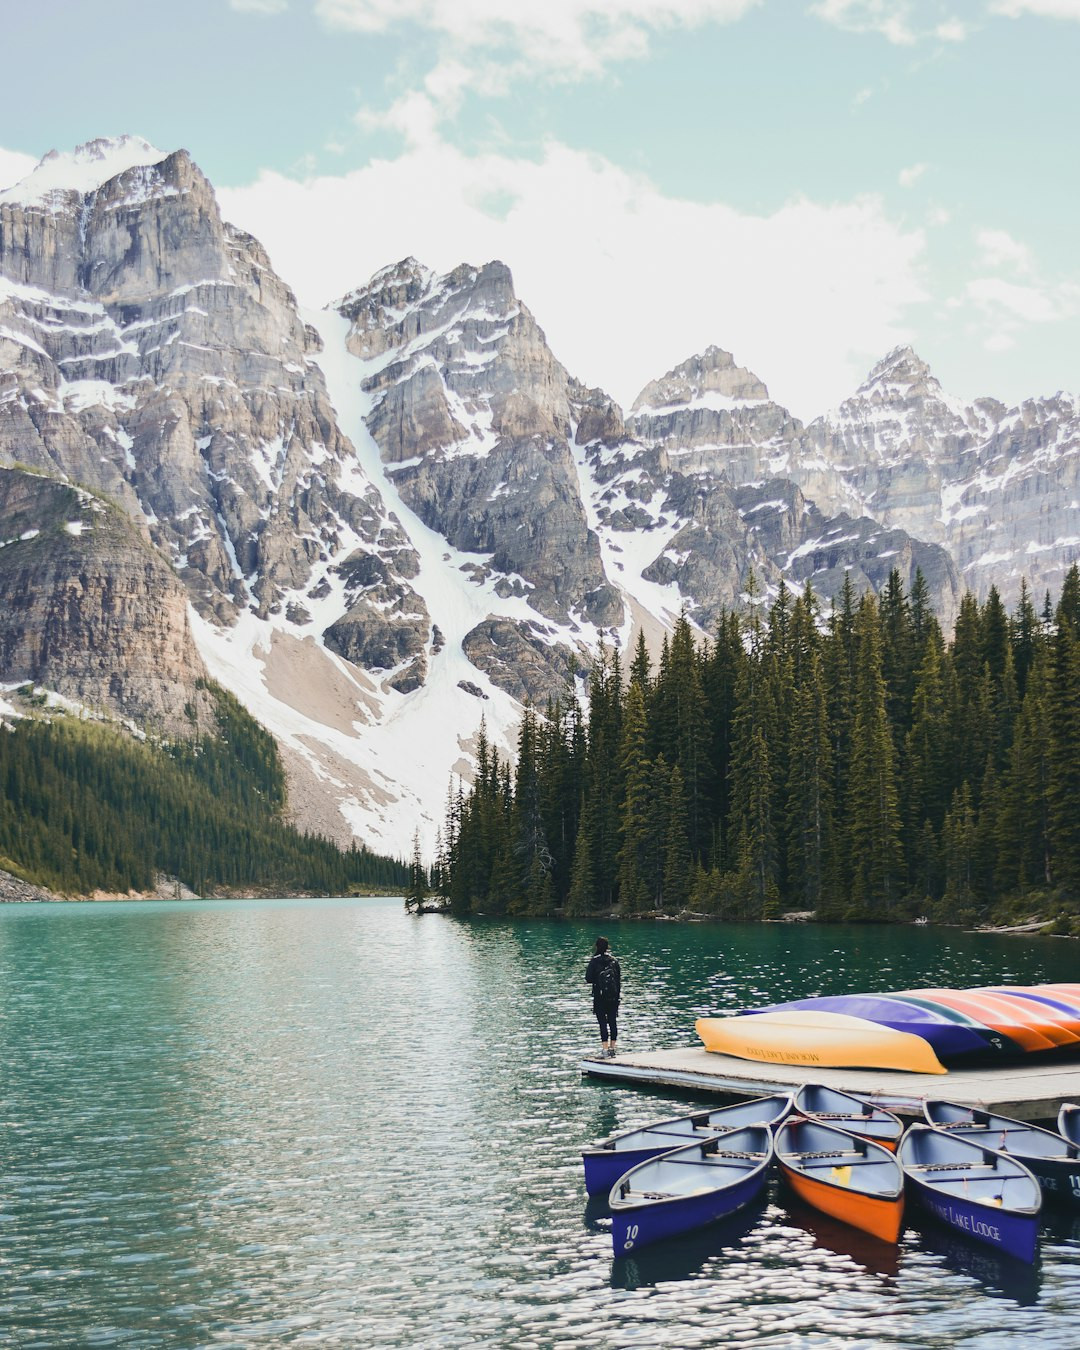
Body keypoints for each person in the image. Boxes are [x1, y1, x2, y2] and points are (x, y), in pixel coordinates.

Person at [585, 936, 621, 1057]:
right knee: (612, 1022)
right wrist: (617, 997)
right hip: (613, 997)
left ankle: (604, 1050)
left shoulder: (594, 961)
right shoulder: (614, 961)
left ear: (596, 946)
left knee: (602, 1023)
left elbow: (588, 978)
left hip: (599, 996)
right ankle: (612, 1049)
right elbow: (618, 980)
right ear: (607, 947)